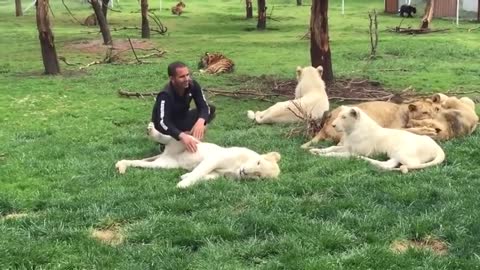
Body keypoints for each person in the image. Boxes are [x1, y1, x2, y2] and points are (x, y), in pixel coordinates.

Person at [151, 61, 216, 153]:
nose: (186, 79)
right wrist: (181, 135)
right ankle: (167, 143)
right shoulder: (165, 95)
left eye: (187, 75)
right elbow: (163, 122)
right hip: (166, 125)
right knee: (169, 129)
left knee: (210, 109)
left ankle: (192, 138)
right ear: (172, 79)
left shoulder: (193, 85)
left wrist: (201, 121)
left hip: (182, 118)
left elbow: (204, 106)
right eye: (182, 77)